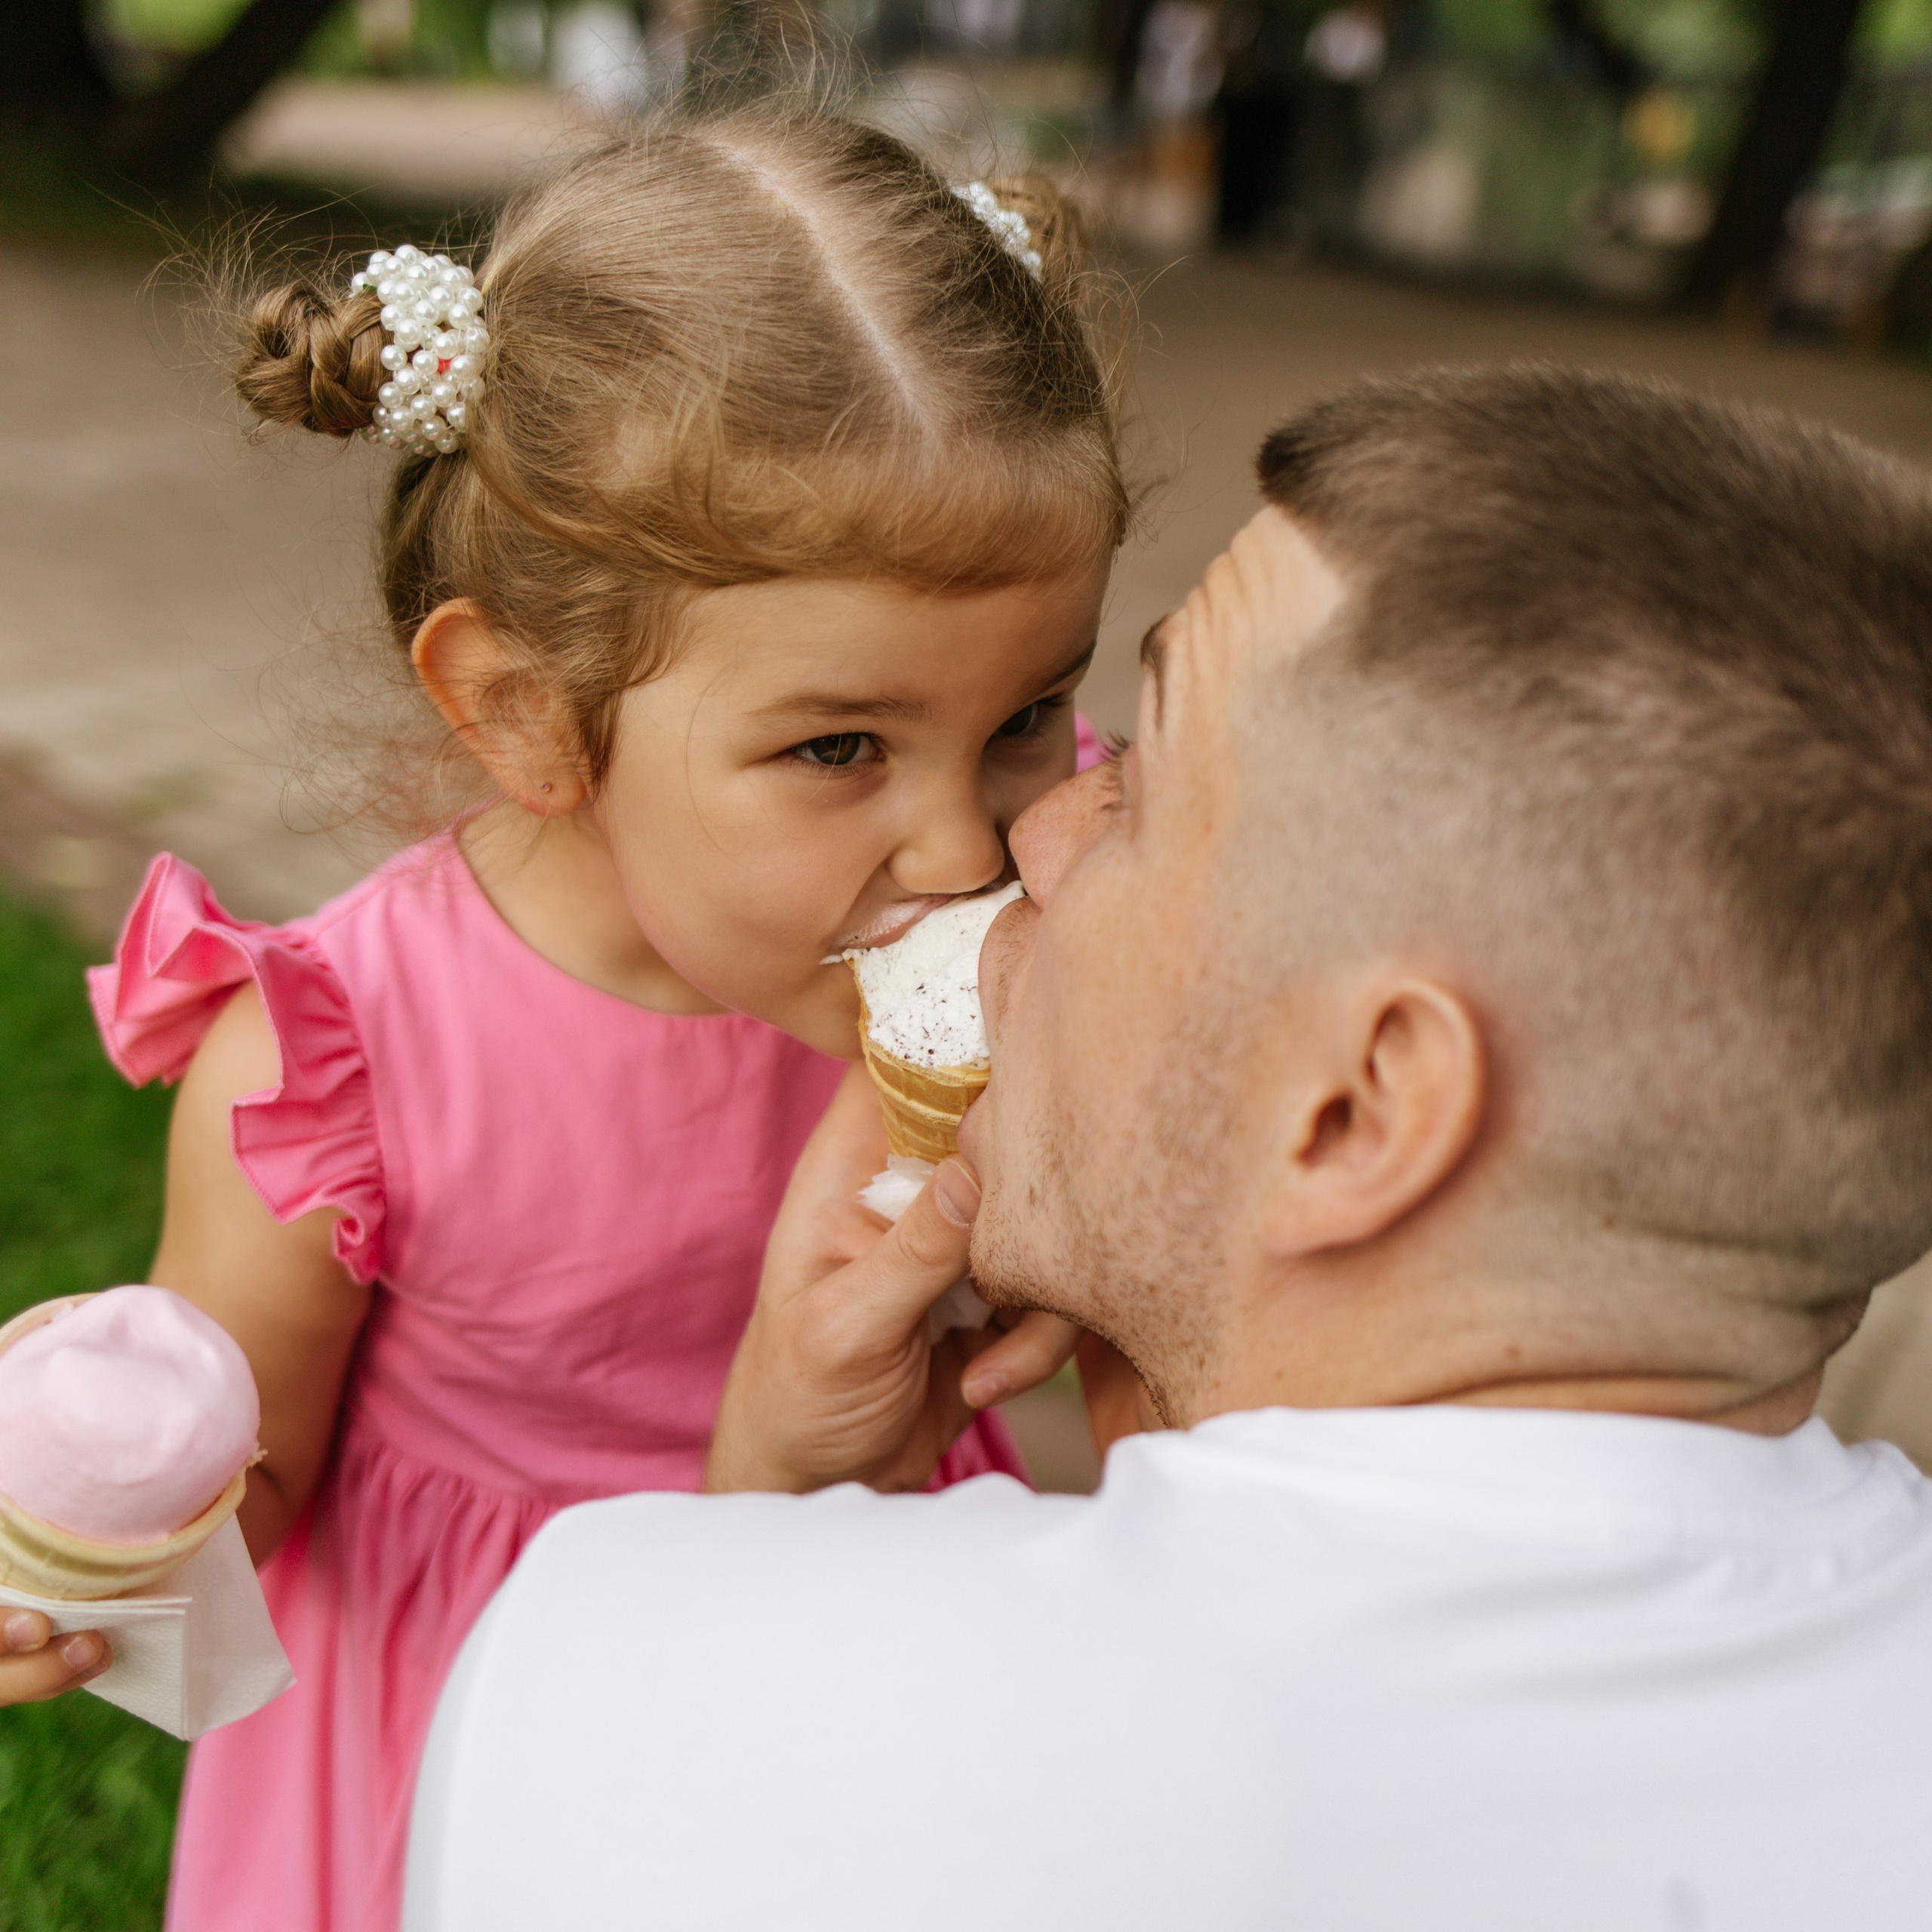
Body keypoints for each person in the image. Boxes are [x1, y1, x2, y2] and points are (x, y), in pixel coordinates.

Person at [408, 367, 1932, 1931]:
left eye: (1133, 792)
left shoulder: (606, 1688)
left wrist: (753, 1553)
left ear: (1355, 1110)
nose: (1023, 843)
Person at [66, 106, 1123, 1932]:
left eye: (1030, 709)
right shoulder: (337, 1062)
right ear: (521, 710)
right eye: (838, 748)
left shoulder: (1064, 909)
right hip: (469, 1734)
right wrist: (91, 1534)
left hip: (881, 1647)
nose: (961, 841)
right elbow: (244, 1502)